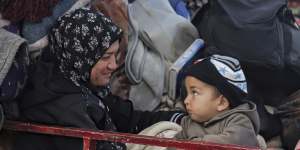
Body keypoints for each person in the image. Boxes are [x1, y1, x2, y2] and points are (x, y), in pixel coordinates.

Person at [13, 8, 185, 150]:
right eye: (105, 57)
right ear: (80, 57)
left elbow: (128, 117)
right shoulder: (66, 107)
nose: (113, 65)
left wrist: (182, 119)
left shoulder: (80, 84)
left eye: (115, 55)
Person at [174, 55, 260, 147]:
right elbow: (173, 144)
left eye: (194, 92)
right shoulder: (189, 123)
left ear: (222, 102)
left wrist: (190, 145)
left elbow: (230, 144)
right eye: (187, 93)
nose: (186, 100)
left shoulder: (239, 121)